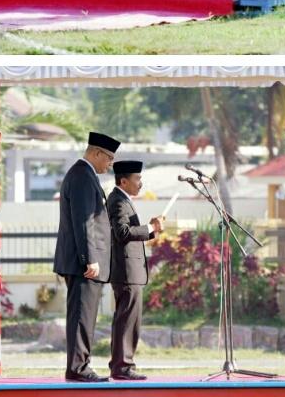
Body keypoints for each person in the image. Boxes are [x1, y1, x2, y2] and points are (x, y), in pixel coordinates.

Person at [53, 132, 121, 382]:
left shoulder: (85, 175)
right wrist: (89, 258)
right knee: (81, 316)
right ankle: (78, 368)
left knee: (85, 316)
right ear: (95, 153)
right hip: (83, 263)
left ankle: (79, 366)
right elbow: (84, 221)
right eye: (109, 158)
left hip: (85, 261)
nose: (110, 164)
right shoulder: (82, 176)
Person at [107, 160, 164, 381]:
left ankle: (123, 365)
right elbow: (122, 233)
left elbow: (130, 233)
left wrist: (151, 229)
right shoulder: (118, 201)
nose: (140, 184)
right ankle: (122, 367)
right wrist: (150, 228)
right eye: (137, 179)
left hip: (132, 272)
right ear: (124, 181)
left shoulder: (124, 200)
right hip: (126, 272)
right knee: (126, 320)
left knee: (130, 320)